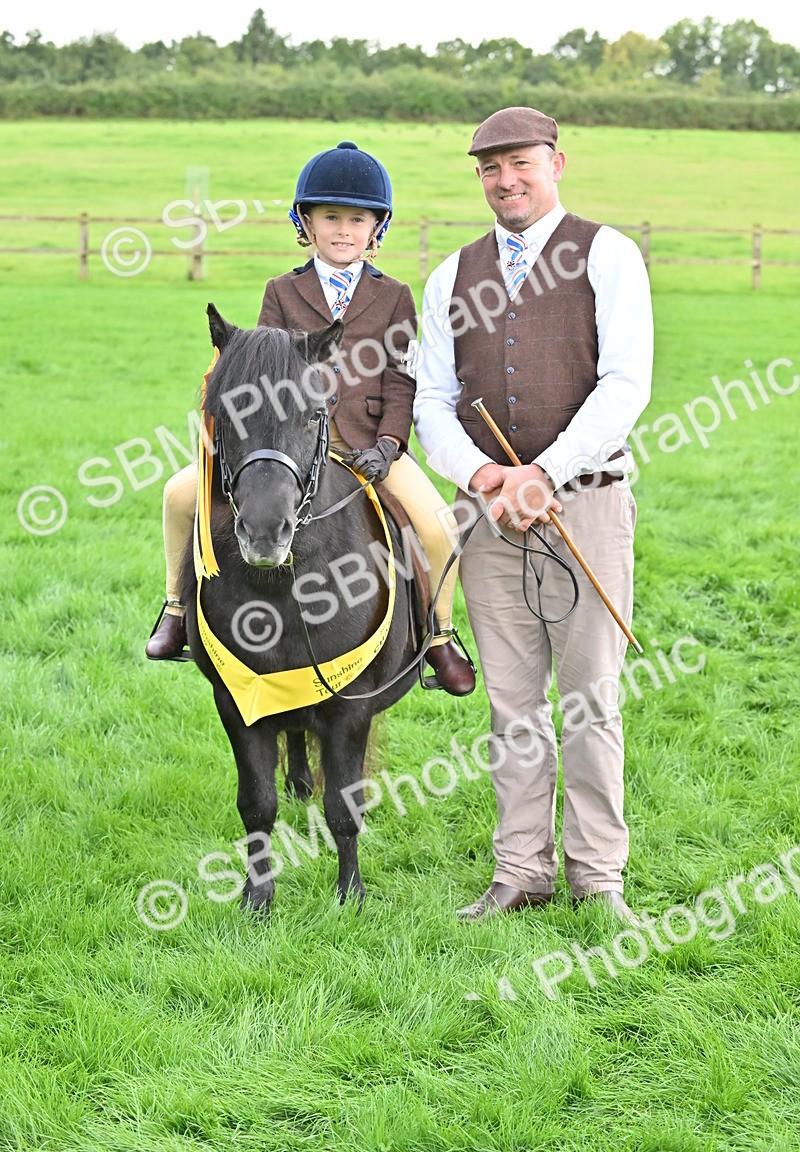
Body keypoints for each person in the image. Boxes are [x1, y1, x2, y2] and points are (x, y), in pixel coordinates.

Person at [414, 107, 653, 921]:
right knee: (512, 705)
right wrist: (485, 474)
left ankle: (598, 878)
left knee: (591, 701)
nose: (505, 180)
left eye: (519, 163)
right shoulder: (450, 273)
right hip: (488, 521)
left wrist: (543, 474)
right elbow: (433, 403)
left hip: (585, 508)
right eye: (489, 168)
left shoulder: (608, 254)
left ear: (556, 162)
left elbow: (625, 384)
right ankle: (521, 871)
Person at [146, 140, 475, 697]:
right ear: (306, 223)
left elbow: (401, 377)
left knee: (439, 527)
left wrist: (391, 444)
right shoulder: (281, 290)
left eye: (356, 219)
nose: (343, 230)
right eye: (330, 218)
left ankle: (439, 636)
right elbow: (260, 371)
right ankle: (176, 608)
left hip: (370, 448)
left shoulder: (394, 296)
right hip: (286, 446)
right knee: (179, 495)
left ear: (376, 228)